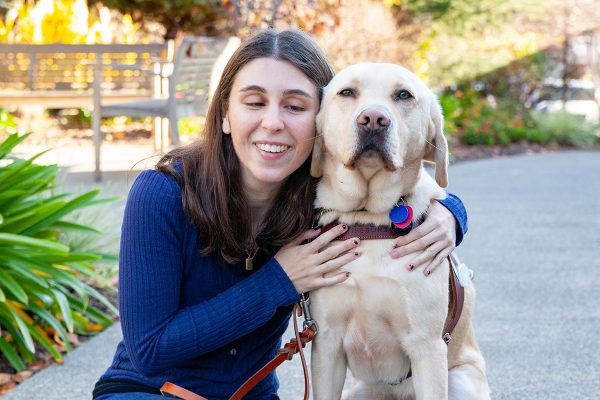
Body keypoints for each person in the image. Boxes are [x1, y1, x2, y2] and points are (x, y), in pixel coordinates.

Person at [92, 29, 468, 400]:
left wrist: (451, 214)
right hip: (148, 391)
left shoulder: (318, 200)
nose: (273, 122)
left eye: (294, 106)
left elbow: (402, 196)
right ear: (225, 114)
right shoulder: (162, 194)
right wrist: (280, 279)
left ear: (321, 124)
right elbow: (149, 349)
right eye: (254, 102)